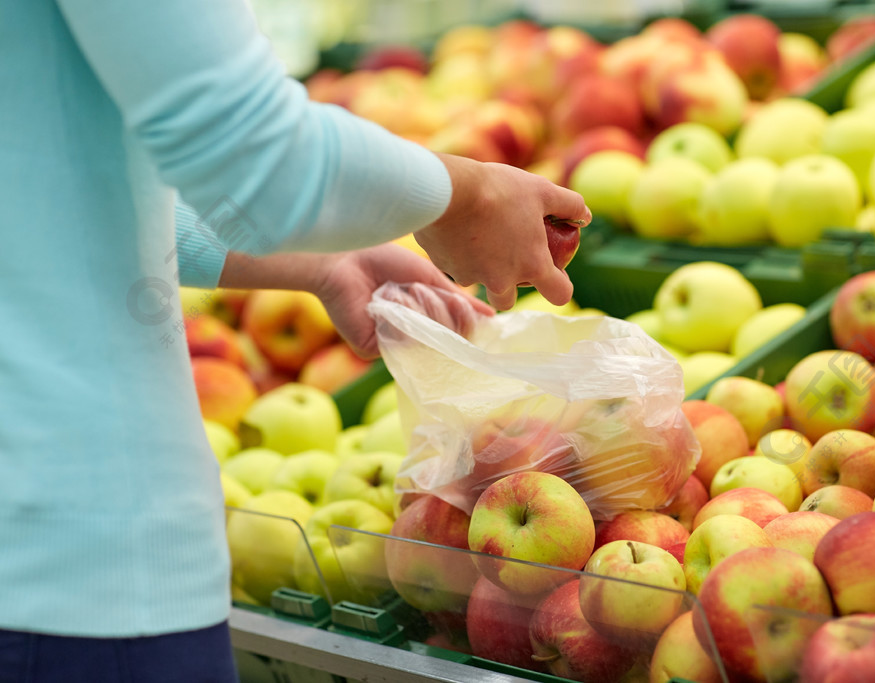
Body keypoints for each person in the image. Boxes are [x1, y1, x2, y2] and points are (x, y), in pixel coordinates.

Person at [0, 1, 590, 681]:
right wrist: (467, 196)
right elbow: (250, 148)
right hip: (75, 574)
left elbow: (53, 188)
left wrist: (319, 262)